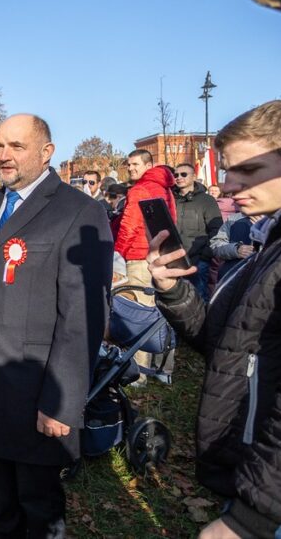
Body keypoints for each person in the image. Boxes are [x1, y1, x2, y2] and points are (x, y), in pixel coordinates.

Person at [146, 100, 281, 539]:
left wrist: (251, 519)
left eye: (248, 170)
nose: (229, 184)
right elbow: (231, 345)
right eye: (227, 169)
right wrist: (173, 291)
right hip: (266, 481)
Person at [0, 114, 112, 538]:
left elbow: (83, 316)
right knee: (0, 504)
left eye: (16, 147)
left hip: (37, 387)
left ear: (46, 152)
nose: (4, 156)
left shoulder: (80, 212)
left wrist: (63, 400)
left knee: (38, 509)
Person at [113, 149, 176, 385]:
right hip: (162, 255)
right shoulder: (165, 188)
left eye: (135, 164)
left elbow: (129, 226)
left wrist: (117, 254)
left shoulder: (140, 189)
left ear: (149, 164)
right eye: (128, 165)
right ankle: (164, 369)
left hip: (139, 256)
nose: (130, 168)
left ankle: (138, 375)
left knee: (137, 313)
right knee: (161, 312)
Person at [172, 162, 223, 298]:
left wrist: (205, 257)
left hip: (198, 262)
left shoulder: (207, 200)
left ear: (194, 176)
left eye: (183, 174)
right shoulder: (170, 200)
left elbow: (216, 229)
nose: (179, 177)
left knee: (198, 300)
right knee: (176, 303)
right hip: (174, 261)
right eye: (176, 175)